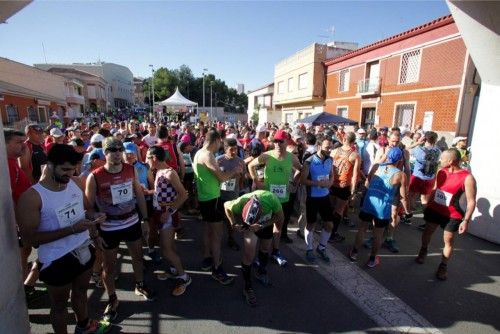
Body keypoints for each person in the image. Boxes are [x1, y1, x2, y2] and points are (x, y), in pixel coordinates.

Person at [17, 144, 108, 334]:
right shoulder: (32, 197)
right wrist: (71, 229)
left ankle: (83, 325)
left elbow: (86, 210)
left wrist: (95, 222)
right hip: (56, 259)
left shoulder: (74, 182)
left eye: (73, 169)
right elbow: (30, 239)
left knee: (81, 293)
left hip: (83, 248)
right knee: (59, 306)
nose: (70, 173)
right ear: (50, 165)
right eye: (65, 169)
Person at [85, 138, 155, 322]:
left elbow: (139, 195)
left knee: (138, 257)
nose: (116, 153)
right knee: (109, 266)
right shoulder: (95, 176)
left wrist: (145, 219)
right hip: (109, 227)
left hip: (131, 221)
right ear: (105, 153)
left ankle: (139, 284)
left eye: (119, 149)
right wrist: (94, 227)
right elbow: (88, 207)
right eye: (112, 150)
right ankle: (112, 298)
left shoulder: (130, 169)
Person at [415, 148, 477, 280]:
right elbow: (436, 188)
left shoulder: (467, 177)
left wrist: (466, 220)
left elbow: (471, 201)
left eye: (442, 159)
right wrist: (427, 204)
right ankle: (423, 250)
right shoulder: (441, 171)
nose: (439, 160)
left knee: (448, 241)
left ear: (451, 161)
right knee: (427, 232)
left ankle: (443, 265)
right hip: (435, 209)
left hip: (452, 215)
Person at [193, 128, 243, 284]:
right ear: (215, 141)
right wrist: (235, 171)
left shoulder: (199, 152)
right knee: (216, 235)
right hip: (211, 199)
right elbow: (221, 177)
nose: (220, 146)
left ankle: (207, 259)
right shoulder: (208, 156)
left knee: (208, 230)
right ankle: (217, 268)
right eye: (220, 143)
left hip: (205, 198)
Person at [248, 129, 302, 266]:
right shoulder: (267, 156)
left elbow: (302, 169)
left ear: (286, 142)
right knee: (263, 228)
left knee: (278, 226)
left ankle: (276, 251)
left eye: (280, 141)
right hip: (267, 199)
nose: (277, 144)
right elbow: (250, 165)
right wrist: (257, 181)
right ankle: (260, 255)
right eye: (275, 141)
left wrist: (294, 182)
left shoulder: (292, 158)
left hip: (283, 199)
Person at [349, 147, 410, 267]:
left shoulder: (376, 166)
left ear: (387, 156)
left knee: (362, 228)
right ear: (400, 159)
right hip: (383, 208)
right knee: (378, 234)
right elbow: (403, 196)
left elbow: (368, 182)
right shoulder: (400, 175)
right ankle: (372, 259)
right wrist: (407, 210)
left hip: (369, 202)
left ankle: (354, 253)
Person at [223, 190, 284, 306]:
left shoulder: (271, 199)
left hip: (266, 223)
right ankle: (247, 287)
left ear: (262, 209)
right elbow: (226, 205)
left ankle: (261, 271)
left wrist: (262, 225)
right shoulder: (239, 202)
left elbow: (280, 216)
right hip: (250, 227)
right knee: (249, 255)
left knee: (265, 248)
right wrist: (233, 224)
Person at [148, 146, 191, 296]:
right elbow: (161, 192)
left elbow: (183, 195)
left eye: (148, 158)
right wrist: (148, 192)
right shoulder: (159, 171)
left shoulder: (170, 173)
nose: (146, 161)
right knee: (169, 246)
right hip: (160, 212)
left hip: (166, 214)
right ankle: (174, 270)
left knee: (166, 249)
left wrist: (169, 212)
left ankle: (184, 277)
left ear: (154, 158)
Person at [300, 138, 335, 263]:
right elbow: (302, 180)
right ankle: (309, 249)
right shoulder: (309, 161)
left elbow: (332, 175)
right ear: (319, 146)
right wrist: (317, 183)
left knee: (330, 224)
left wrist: (330, 183)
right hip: (312, 198)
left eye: (331, 147)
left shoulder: (330, 159)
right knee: (311, 225)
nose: (329, 150)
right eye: (327, 147)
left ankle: (321, 247)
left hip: (325, 197)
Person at [329, 131, 360, 243]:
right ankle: (332, 234)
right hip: (344, 186)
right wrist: (353, 191)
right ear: (353, 142)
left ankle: (326, 231)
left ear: (344, 139)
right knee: (339, 211)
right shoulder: (355, 155)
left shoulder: (334, 151)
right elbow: (355, 175)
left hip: (332, 184)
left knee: (332, 208)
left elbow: (329, 167)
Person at [216, 138, 246, 251]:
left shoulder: (241, 162)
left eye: (236, 149)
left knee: (231, 220)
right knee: (218, 221)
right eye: (231, 149)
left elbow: (243, 178)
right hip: (219, 196)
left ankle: (231, 239)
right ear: (225, 149)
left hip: (233, 196)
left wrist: (239, 188)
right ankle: (216, 240)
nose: (234, 152)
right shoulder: (218, 160)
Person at [409, 131, 441, 213]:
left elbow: (407, 149)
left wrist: (418, 143)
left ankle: (408, 213)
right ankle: (426, 218)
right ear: (435, 140)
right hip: (430, 178)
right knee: (424, 199)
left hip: (418, 177)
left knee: (411, 195)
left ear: (424, 139)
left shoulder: (420, 150)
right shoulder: (438, 151)